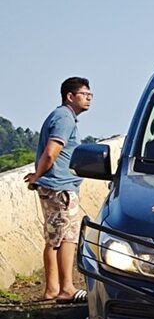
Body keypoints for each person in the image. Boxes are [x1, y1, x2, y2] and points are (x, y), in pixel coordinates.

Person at [23, 77, 93, 302]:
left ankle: (53, 289)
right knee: (66, 239)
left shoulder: (62, 116)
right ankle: (66, 289)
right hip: (60, 188)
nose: (89, 98)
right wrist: (38, 175)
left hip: (56, 186)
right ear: (70, 96)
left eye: (90, 94)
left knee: (55, 238)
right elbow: (52, 151)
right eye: (84, 94)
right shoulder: (64, 118)